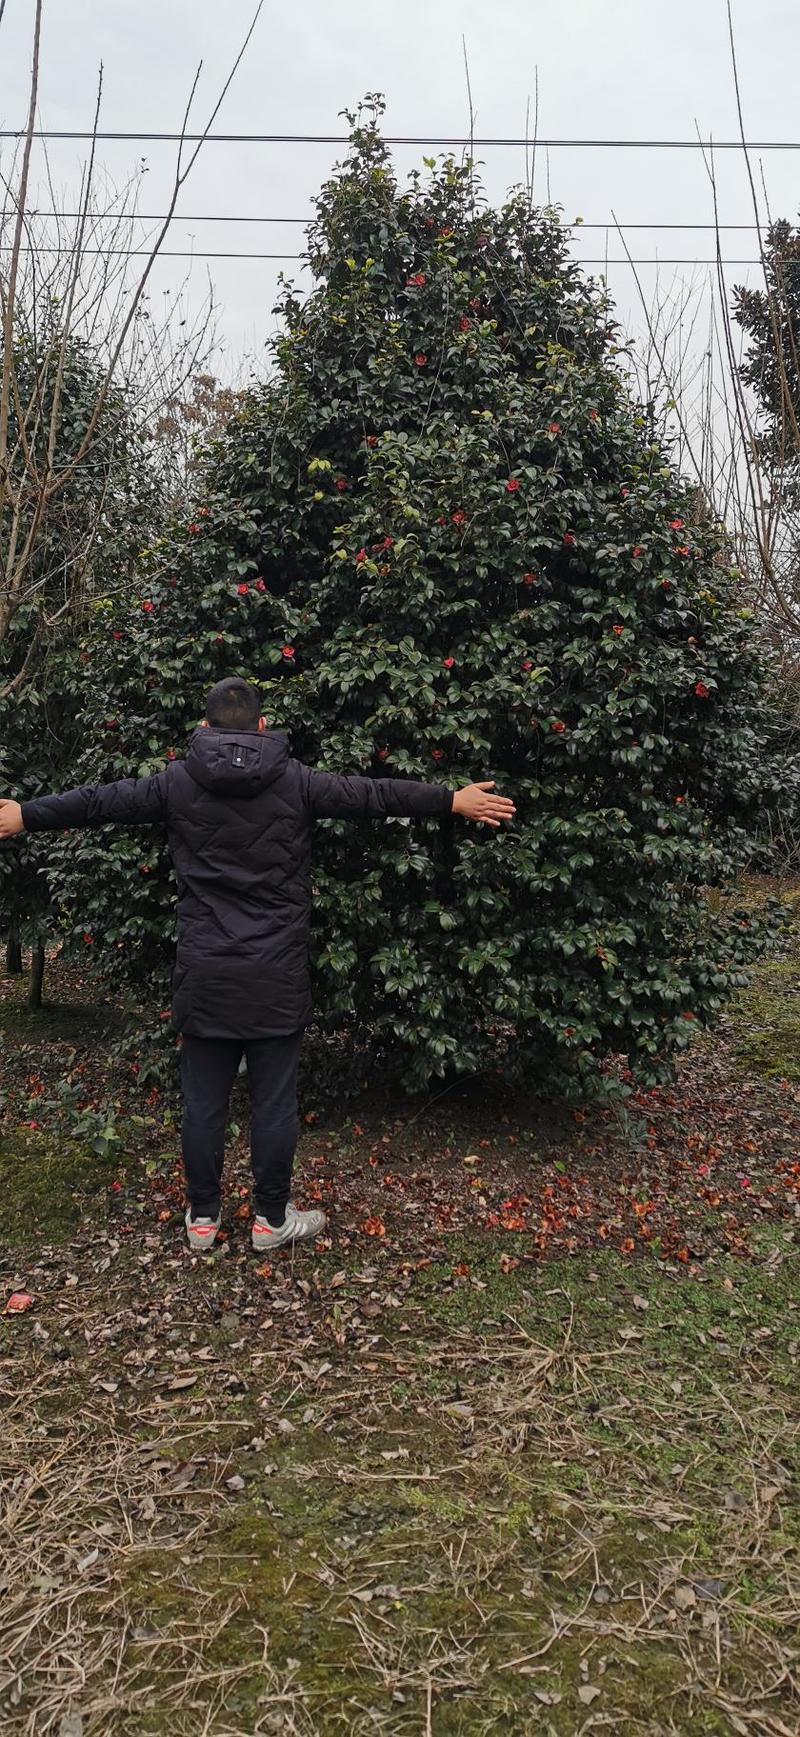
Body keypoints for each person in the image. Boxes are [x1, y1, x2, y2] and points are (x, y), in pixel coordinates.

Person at [0, 678, 515, 1253]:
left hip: (207, 973)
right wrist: (450, 798)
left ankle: (202, 1219)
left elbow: (99, 803)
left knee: (203, 1103)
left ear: (205, 727)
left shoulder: (175, 781)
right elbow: (373, 794)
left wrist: (26, 814)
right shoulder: (295, 781)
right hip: (275, 974)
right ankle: (271, 1220)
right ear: (263, 727)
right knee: (273, 1103)